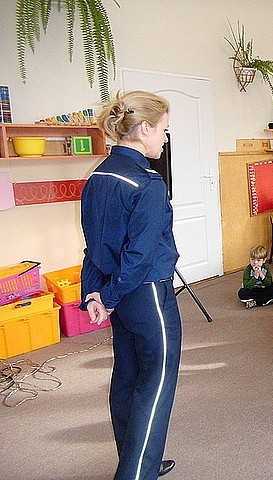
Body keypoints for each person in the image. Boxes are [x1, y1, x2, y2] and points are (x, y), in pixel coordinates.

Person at [80, 90, 180, 479]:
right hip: (148, 295)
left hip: (117, 293)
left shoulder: (98, 175)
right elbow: (138, 257)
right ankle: (138, 472)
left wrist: (97, 293)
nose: (165, 139)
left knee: (127, 376)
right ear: (143, 129)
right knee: (155, 382)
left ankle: (138, 459)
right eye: (164, 130)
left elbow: (94, 244)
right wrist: (107, 295)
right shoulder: (148, 183)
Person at [237, 245, 273, 309]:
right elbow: (246, 286)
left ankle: (255, 302)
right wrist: (255, 278)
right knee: (241, 293)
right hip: (252, 290)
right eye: (252, 259)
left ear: (264, 260)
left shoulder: (266, 269)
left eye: (258, 260)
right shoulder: (247, 269)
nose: (255, 262)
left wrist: (262, 276)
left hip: (263, 289)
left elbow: (269, 284)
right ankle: (265, 301)